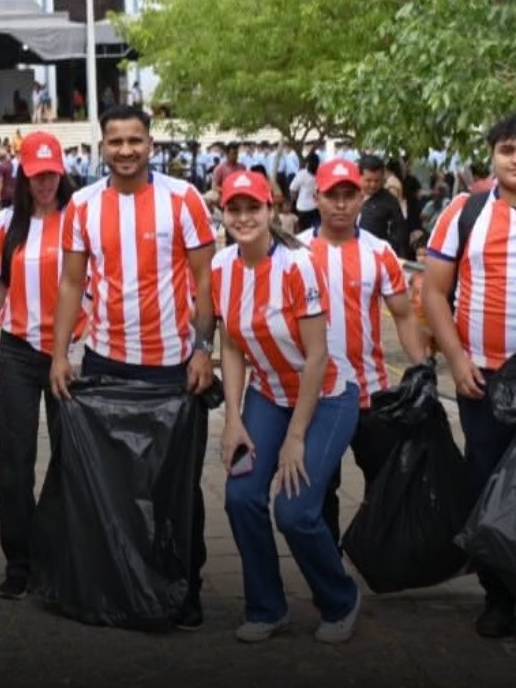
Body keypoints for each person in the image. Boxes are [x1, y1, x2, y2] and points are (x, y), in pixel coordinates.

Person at [50, 105, 216, 628]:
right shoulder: (80, 205)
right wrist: (60, 354)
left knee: (177, 486)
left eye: (135, 141)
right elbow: (73, 284)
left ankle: (185, 587)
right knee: (115, 483)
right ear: (102, 146)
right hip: (106, 363)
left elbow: (206, 280)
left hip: (172, 364)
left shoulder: (183, 199)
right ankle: (120, 585)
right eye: (116, 141)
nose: (126, 150)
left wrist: (204, 347)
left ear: (151, 144)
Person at [215, 170, 362, 644]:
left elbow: (317, 356)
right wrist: (233, 420)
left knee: (295, 511)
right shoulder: (220, 268)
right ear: (223, 213)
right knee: (240, 498)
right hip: (268, 393)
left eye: (252, 208)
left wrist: (295, 438)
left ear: (270, 210)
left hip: (327, 395)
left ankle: (340, 598)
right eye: (233, 209)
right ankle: (267, 606)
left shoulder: (298, 264)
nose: (243, 218)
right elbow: (233, 346)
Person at [0, 133, 83, 599]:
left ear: (62, 173)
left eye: (50, 175)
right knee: (13, 460)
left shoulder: (80, 220)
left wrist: (82, 345)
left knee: (68, 455)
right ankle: (18, 559)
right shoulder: (6, 224)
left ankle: (54, 549)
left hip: (68, 349)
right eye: (35, 177)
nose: (43, 184)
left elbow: (90, 285)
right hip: (17, 349)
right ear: (23, 177)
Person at [423, 112, 516, 639]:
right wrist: (455, 361)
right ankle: (498, 598)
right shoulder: (466, 211)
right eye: (507, 149)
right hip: (482, 379)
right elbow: (434, 293)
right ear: (493, 156)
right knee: (487, 488)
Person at [308, 158, 426, 543]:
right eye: (332, 196)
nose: (340, 204)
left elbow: (404, 315)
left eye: (348, 195)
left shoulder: (380, 253)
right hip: (318, 395)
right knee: (321, 487)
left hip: (371, 392)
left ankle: (374, 551)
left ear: (362, 198)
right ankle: (329, 570)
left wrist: (422, 367)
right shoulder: (296, 254)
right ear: (317, 198)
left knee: (384, 479)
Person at [358, 152, 411, 258]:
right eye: (368, 180)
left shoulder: (389, 202)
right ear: (359, 177)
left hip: (375, 257)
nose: (373, 185)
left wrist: (384, 252)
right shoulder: (350, 196)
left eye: (377, 181)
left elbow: (399, 232)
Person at [290, 151, 322, 231]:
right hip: (317, 207)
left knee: (304, 232)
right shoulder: (320, 174)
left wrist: (294, 200)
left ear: (308, 163)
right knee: (316, 230)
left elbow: (292, 189)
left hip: (303, 207)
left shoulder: (302, 174)